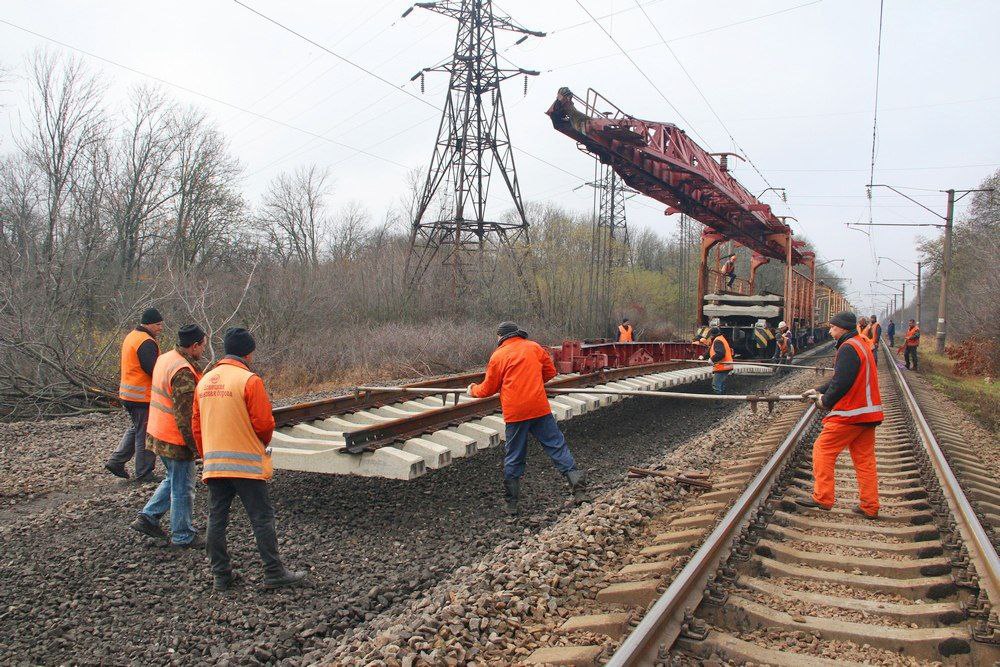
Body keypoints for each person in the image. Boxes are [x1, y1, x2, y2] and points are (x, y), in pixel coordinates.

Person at [193, 328, 307, 591]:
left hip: (214, 465)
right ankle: (274, 572)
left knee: (216, 518)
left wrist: (207, 455)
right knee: (262, 518)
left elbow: (196, 425)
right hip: (245, 465)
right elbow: (264, 423)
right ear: (248, 352)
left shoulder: (205, 381)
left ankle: (221, 575)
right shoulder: (248, 380)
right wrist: (260, 445)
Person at [467, 321, 588, 515]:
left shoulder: (498, 355)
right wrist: (531, 380)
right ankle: (580, 491)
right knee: (557, 446)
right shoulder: (534, 347)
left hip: (516, 414)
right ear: (517, 334)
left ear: (501, 337)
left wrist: (472, 389)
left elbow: (487, 389)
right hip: (539, 408)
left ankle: (511, 506)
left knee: (514, 455)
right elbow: (550, 372)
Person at [798, 311, 882, 518]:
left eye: (832, 327)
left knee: (822, 449)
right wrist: (820, 389)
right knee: (865, 461)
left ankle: (823, 498)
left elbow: (842, 381)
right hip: (867, 414)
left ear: (843, 328)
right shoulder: (861, 344)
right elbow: (842, 377)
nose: (829, 330)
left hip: (851, 412)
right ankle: (870, 506)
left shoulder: (847, 348)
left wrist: (825, 401)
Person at [129, 325, 208, 547]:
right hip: (175, 438)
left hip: (157, 431)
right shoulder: (183, 371)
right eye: (202, 345)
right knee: (183, 486)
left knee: (173, 478)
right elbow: (186, 417)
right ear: (194, 346)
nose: (203, 349)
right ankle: (183, 535)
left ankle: (148, 517)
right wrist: (196, 448)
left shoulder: (166, 358)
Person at [106, 308, 164, 482]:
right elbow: (152, 369)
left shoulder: (132, 336)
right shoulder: (146, 341)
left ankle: (116, 461)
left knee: (137, 428)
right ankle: (144, 473)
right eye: (158, 324)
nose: (160, 328)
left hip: (129, 395)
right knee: (146, 433)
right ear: (148, 324)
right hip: (142, 397)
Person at [705, 326, 734, 394]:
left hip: (722, 366)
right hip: (726, 365)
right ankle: (723, 400)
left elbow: (721, 353)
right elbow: (711, 350)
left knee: (716, 385)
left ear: (712, 334)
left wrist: (712, 359)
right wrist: (702, 357)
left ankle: (719, 402)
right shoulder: (720, 339)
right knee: (721, 385)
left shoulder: (717, 341)